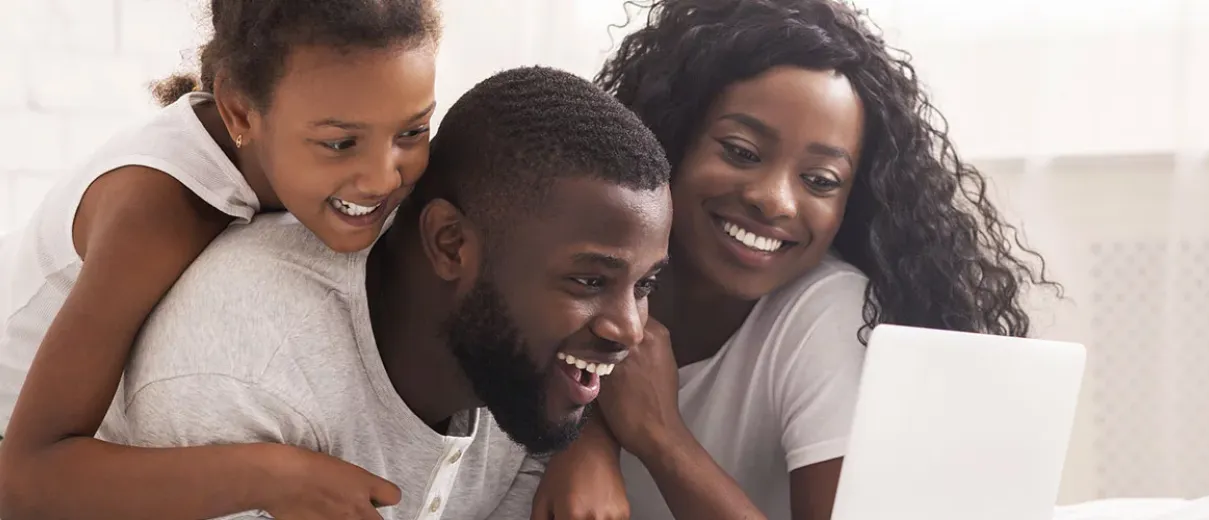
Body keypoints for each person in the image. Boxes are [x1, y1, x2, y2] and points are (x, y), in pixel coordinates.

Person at [4, 66, 674, 520]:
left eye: (643, 285)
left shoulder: (524, 375)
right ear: (449, 245)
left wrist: (593, 445)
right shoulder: (242, 367)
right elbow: (26, 477)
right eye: (590, 281)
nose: (628, 328)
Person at [528, 1, 1060, 519]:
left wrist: (661, 437)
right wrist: (586, 437)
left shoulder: (830, 312)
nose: (775, 200)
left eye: (820, 180)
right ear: (668, 138)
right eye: (741, 151)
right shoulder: (578, 272)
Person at [0, 0, 441, 516]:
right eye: (341, 143)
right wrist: (275, 476)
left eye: (412, 131)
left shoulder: (333, 130)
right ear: (238, 111)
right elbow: (23, 480)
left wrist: (562, 444)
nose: (384, 178)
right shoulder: (156, 211)